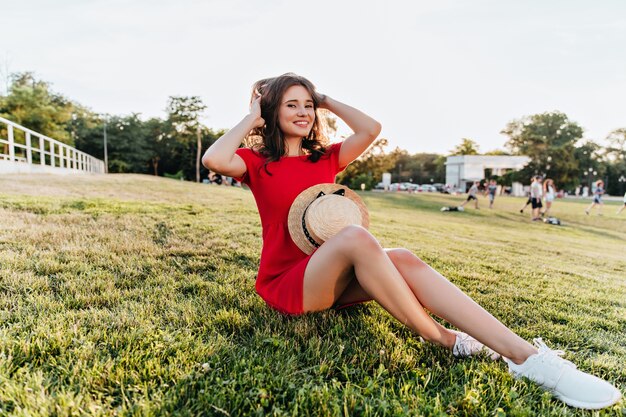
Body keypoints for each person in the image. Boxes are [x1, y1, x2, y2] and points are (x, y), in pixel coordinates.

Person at [202, 73, 621, 410]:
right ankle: (441, 338)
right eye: (291, 104)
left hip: (330, 275)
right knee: (356, 237)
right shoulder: (258, 163)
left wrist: (325, 98)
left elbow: (372, 128)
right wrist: (253, 116)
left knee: (400, 256)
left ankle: (528, 357)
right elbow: (214, 159)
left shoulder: (324, 158)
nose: (304, 112)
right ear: (271, 109)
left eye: (307, 105)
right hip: (288, 283)